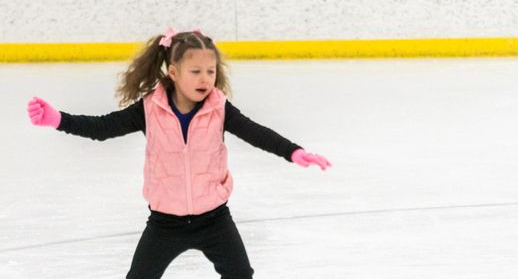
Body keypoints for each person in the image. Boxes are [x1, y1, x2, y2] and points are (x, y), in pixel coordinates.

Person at [26, 27, 332, 279]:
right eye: (195, 71)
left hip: (214, 220)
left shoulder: (219, 109)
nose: (205, 79)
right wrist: (58, 119)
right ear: (173, 71)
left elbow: (256, 133)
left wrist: (294, 152)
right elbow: (104, 128)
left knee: (241, 275)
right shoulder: (149, 109)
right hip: (164, 223)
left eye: (210, 71)